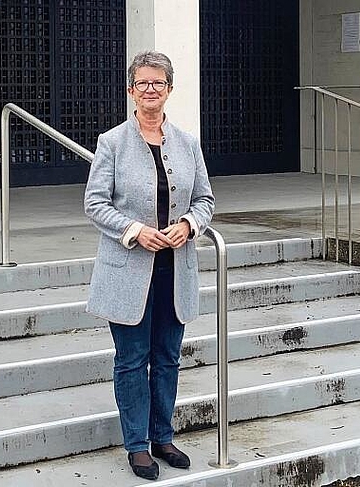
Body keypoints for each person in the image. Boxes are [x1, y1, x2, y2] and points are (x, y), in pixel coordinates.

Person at [84, 50, 214, 481]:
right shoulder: (112, 142)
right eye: (142, 83)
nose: (150, 90)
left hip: (174, 268)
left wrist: (190, 225)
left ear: (170, 89)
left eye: (158, 83)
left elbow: (205, 200)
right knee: (131, 359)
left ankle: (163, 436)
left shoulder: (187, 143)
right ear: (130, 90)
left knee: (168, 357)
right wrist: (135, 230)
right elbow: (95, 203)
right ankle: (137, 445)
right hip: (129, 269)